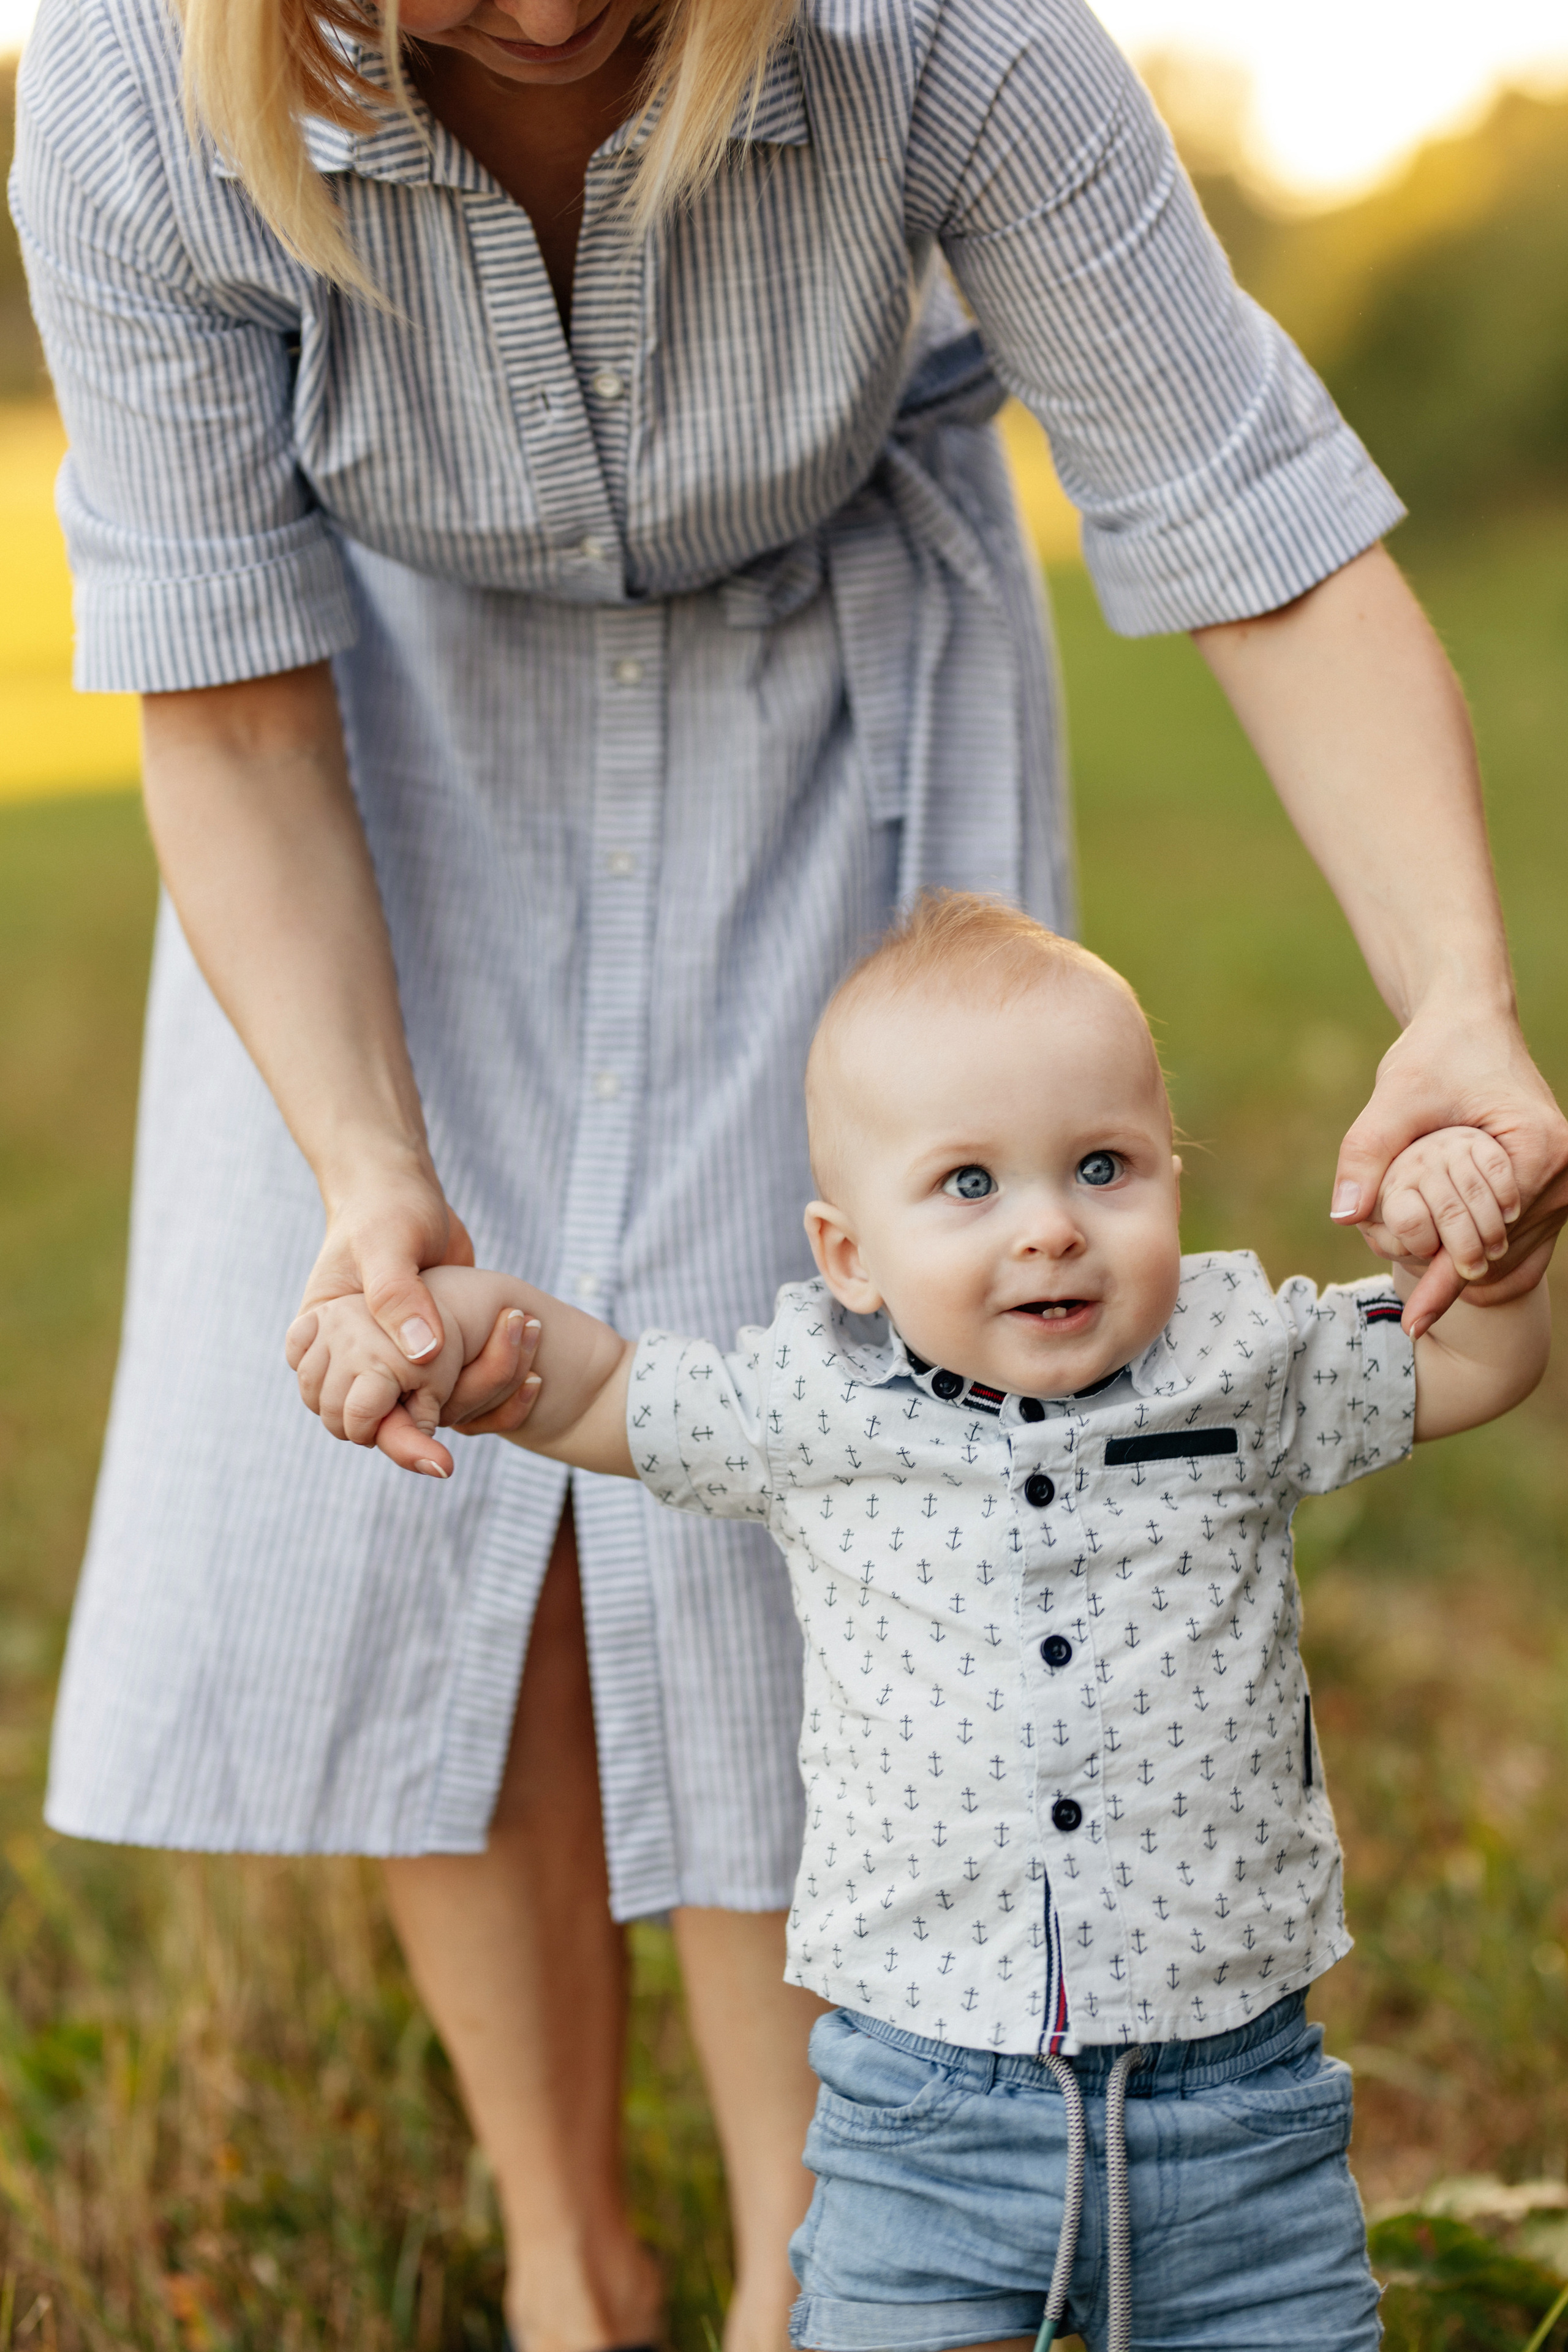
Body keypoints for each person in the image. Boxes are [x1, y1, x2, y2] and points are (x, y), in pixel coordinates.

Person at [12, 0, 1567, 2341]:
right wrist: (364, 1155)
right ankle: (571, 2262)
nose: (543, 16)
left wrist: (1456, 991)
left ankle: (805, 2272)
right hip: (380, 737)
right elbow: (220, 690)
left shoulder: (939, 30)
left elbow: (1248, 509)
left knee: (846, 1465)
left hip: (822, 693)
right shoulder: (135, 86)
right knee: (454, 1514)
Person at [288, 894, 1552, 2352]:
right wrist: (442, 1329)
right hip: (923, 2116)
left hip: (1236, 2115)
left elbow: (1466, 1360)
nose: (1050, 1228)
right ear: (848, 1255)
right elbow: (587, 1389)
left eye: (1102, 1166)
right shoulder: (809, 1405)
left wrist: (1493, 1249)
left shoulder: (1242, 1365)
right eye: (968, 1185)